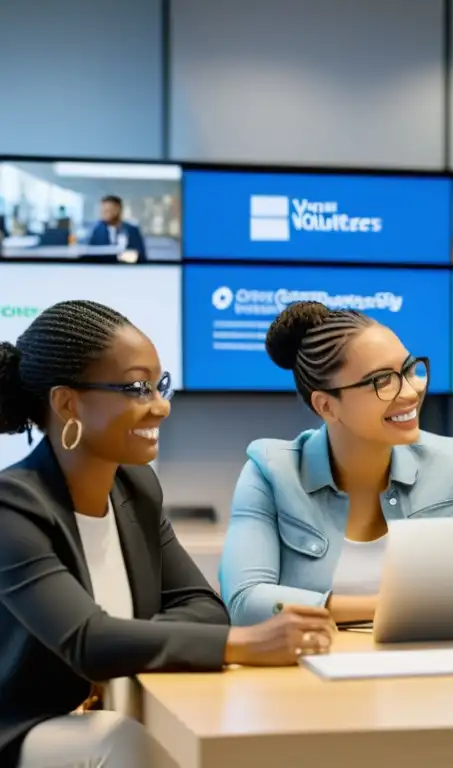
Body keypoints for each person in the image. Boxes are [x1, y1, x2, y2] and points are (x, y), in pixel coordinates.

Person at [0, 300, 335, 768]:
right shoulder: (13, 505)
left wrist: (122, 645)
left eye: (160, 386)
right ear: (66, 403)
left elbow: (205, 609)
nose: (160, 407)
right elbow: (87, 643)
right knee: (122, 743)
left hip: (123, 705)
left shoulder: (137, 489)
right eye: (137, 388)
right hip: (29, 728)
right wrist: (246, 644)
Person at [219, 301, 453, 628]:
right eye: (383, 381)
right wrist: (392, 607)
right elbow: (246, 601)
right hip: (315, 667)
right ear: (327, 405)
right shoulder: (271, 471)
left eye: (410, 369)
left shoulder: (450, 460)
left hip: (430, 664)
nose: (411, 392)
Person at [86, 195, 147, 263]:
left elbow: (139, 256)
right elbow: (91, 255)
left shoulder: (132, 230)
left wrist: (120, 256)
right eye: (102, 210)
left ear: (118, 210)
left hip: (127, 270)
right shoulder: (96, 231)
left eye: (108, 210)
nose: (104, 213)